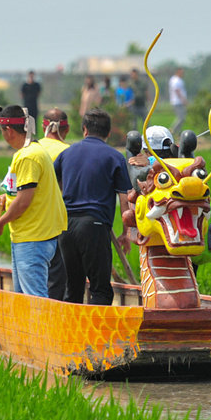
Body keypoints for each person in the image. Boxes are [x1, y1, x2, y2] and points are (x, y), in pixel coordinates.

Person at [52, 108, 131, 305]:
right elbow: (124, 198)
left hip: (66, 226)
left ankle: (70, 335)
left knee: (73, 288)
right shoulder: (115, 157)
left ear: (84, 129)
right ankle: (99, 336)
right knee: (100, 289)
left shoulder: (66, 154)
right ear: (108, 133)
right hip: (94, 226)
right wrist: (126, 232)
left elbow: (52, 185)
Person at [0, 105, 67, 298]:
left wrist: (0, 222)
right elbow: (22, 194)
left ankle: (43, 330)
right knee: (23, 297)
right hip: (28, 236)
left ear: (8, 130)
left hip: (33, 237)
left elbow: (24, 201)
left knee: (34, 298)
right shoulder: (32, 151)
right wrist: (5, 200)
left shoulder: (28, 157)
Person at [37, 108, 72, 299]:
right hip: (59, 220)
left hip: (33, 221)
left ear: (43, 126)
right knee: (57, 273)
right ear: (66, 129)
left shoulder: (32, 148)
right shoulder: (68, 152)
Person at [168, 67, 188, 135]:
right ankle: (172, 130)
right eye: (181, 72)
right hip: (177, 101)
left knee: (181, 118)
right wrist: (183, 99)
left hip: (178, 101)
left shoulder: (177, 79)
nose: (183, 74)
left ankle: (178, 133)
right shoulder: (176, 80)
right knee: (181, 118)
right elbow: (177, 90)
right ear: (178, 72)